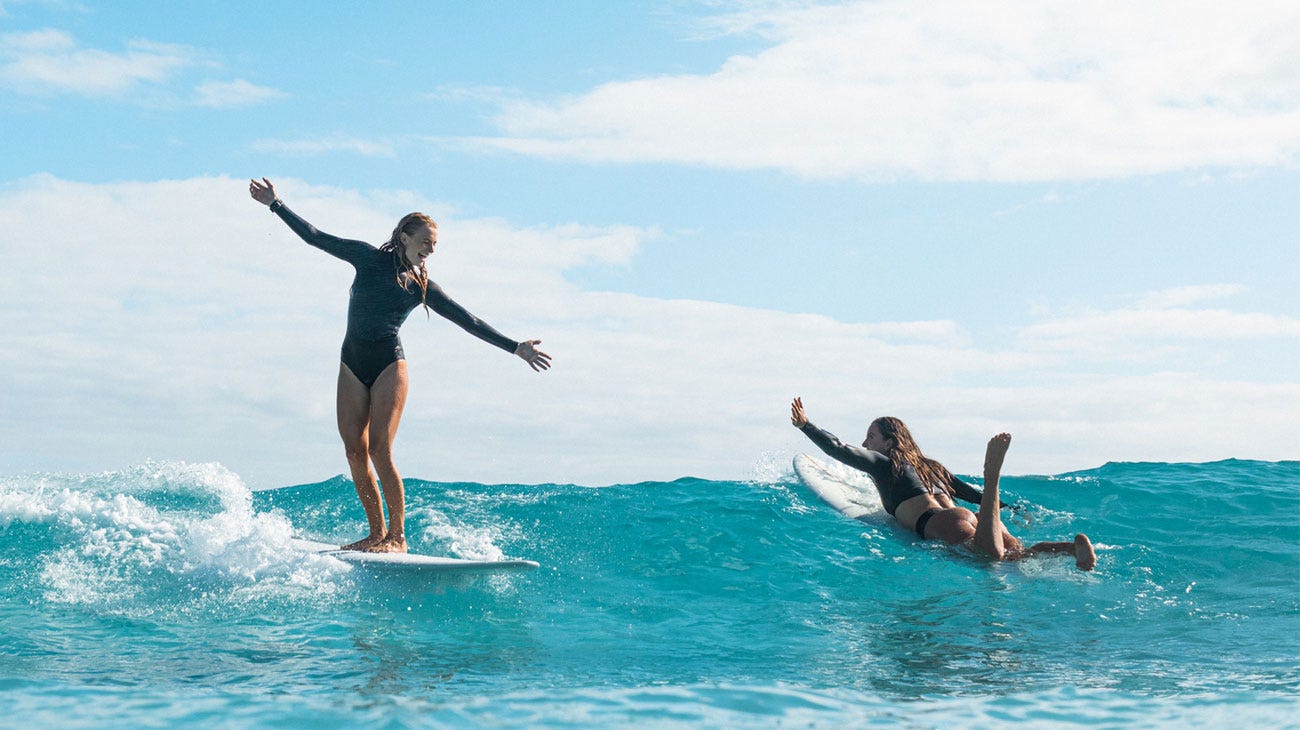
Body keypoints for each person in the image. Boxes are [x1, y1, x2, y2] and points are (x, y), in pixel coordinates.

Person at [250, 178, 551, 553]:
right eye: (426, 241)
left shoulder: (420, 287)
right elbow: (316, 237)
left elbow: (468, 320)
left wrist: (514, 347)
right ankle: (376, 534)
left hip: (390, 366)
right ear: (405, 237)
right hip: (352, 363)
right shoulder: (367, 258)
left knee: (380, 449)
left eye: (435, 245)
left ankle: (398, 537)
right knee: (353, 451)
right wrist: (275, 204)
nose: (431, 249)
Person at [790, 397, 1095, 570]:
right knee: (1017, 555)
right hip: (971, 516)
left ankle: (994, 476)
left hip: (937, 522)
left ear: (889, 442)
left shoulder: (885, 465)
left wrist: (806, 425)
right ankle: (1071, 549)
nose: (865, 443)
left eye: (871, 437)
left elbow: (838, 449)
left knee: (989, 557)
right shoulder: (932, 467)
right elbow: (970, 496)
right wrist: (1010, 509)